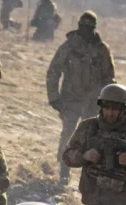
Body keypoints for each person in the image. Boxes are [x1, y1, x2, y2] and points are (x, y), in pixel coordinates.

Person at [47, 11, 116, 185]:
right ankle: (64, 172)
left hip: (93, 102)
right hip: (70, 99)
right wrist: (54, 97)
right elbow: (54, 72)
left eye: (89, 27)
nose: (85, 30)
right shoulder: (69, 46)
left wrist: (108, 102)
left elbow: (109, 77)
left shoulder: (101, 49)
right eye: (83, 26)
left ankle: (90, 176)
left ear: (94, 28)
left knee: (92, 139)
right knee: (68, 136)